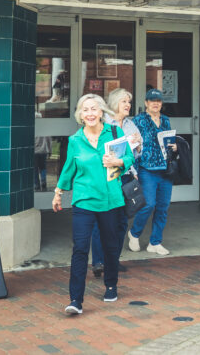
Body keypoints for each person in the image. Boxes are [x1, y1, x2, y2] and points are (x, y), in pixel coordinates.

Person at [52, 93, 134, 315]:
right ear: (80, 114)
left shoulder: (114, 133)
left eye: (93, 109)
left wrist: (119, 161)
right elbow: (69, 168)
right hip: (84, 201)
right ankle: (76, 300)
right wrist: (58, 192)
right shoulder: (75, 141)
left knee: (110, 246)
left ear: (101, 112)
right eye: (85, 110)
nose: (89, 113)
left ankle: (111, 284)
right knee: (80, 248)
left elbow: (129, 158)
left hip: (110, 201)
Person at [91, 88, 141, 277]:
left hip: (126, 176)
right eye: (124, 102)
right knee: (102, 220)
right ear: (114, 104)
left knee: (121, 222)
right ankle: (98, 261)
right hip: (107, 178)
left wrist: (138, 146)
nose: (128, 105)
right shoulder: (104, 123)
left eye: (129, 101)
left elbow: (135, 155)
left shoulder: (131, 125)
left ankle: (113, 260)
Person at [127, 88, 176, 255]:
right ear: (146, 103)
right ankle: (134, 233)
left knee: (163, 207)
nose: (156, 103)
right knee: (148, 204)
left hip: (165, 169)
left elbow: (169, 141)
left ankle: (155, 242)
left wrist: (174, 146)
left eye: (159, 101)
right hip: (147, 168)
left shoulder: (166, 120)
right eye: (152, 100)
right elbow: (133, 144)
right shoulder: (139, 120)